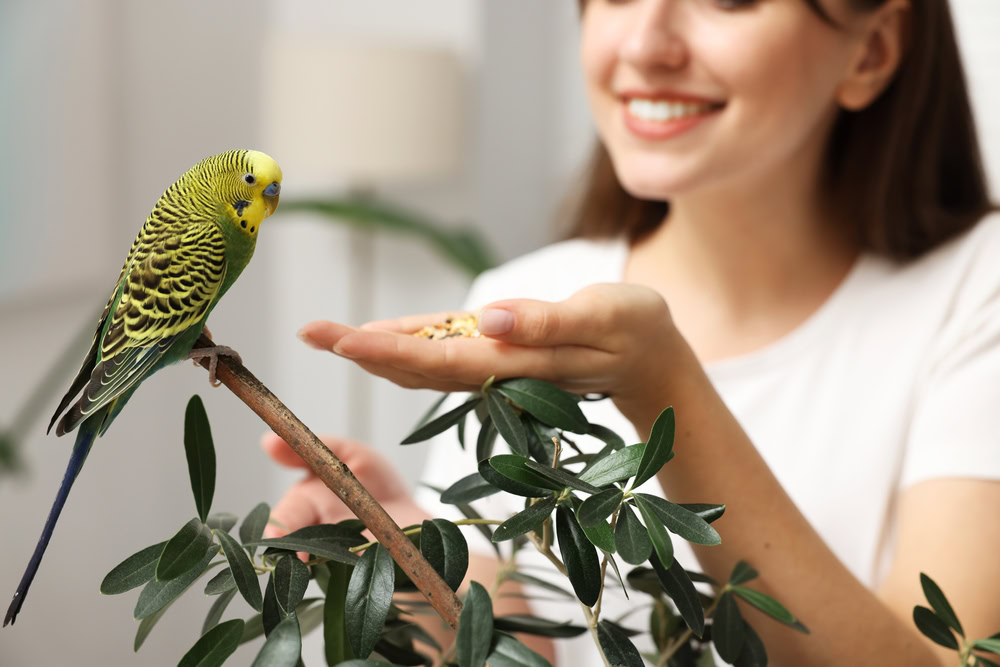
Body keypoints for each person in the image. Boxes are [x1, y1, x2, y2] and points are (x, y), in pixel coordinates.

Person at [267, 0, 1000, 663]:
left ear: (871, 50)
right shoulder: (522, 299)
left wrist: (663, 385)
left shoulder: (976, 290)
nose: (647, 44)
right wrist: (418, 562)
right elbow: (525, 636)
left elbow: (952, 658)